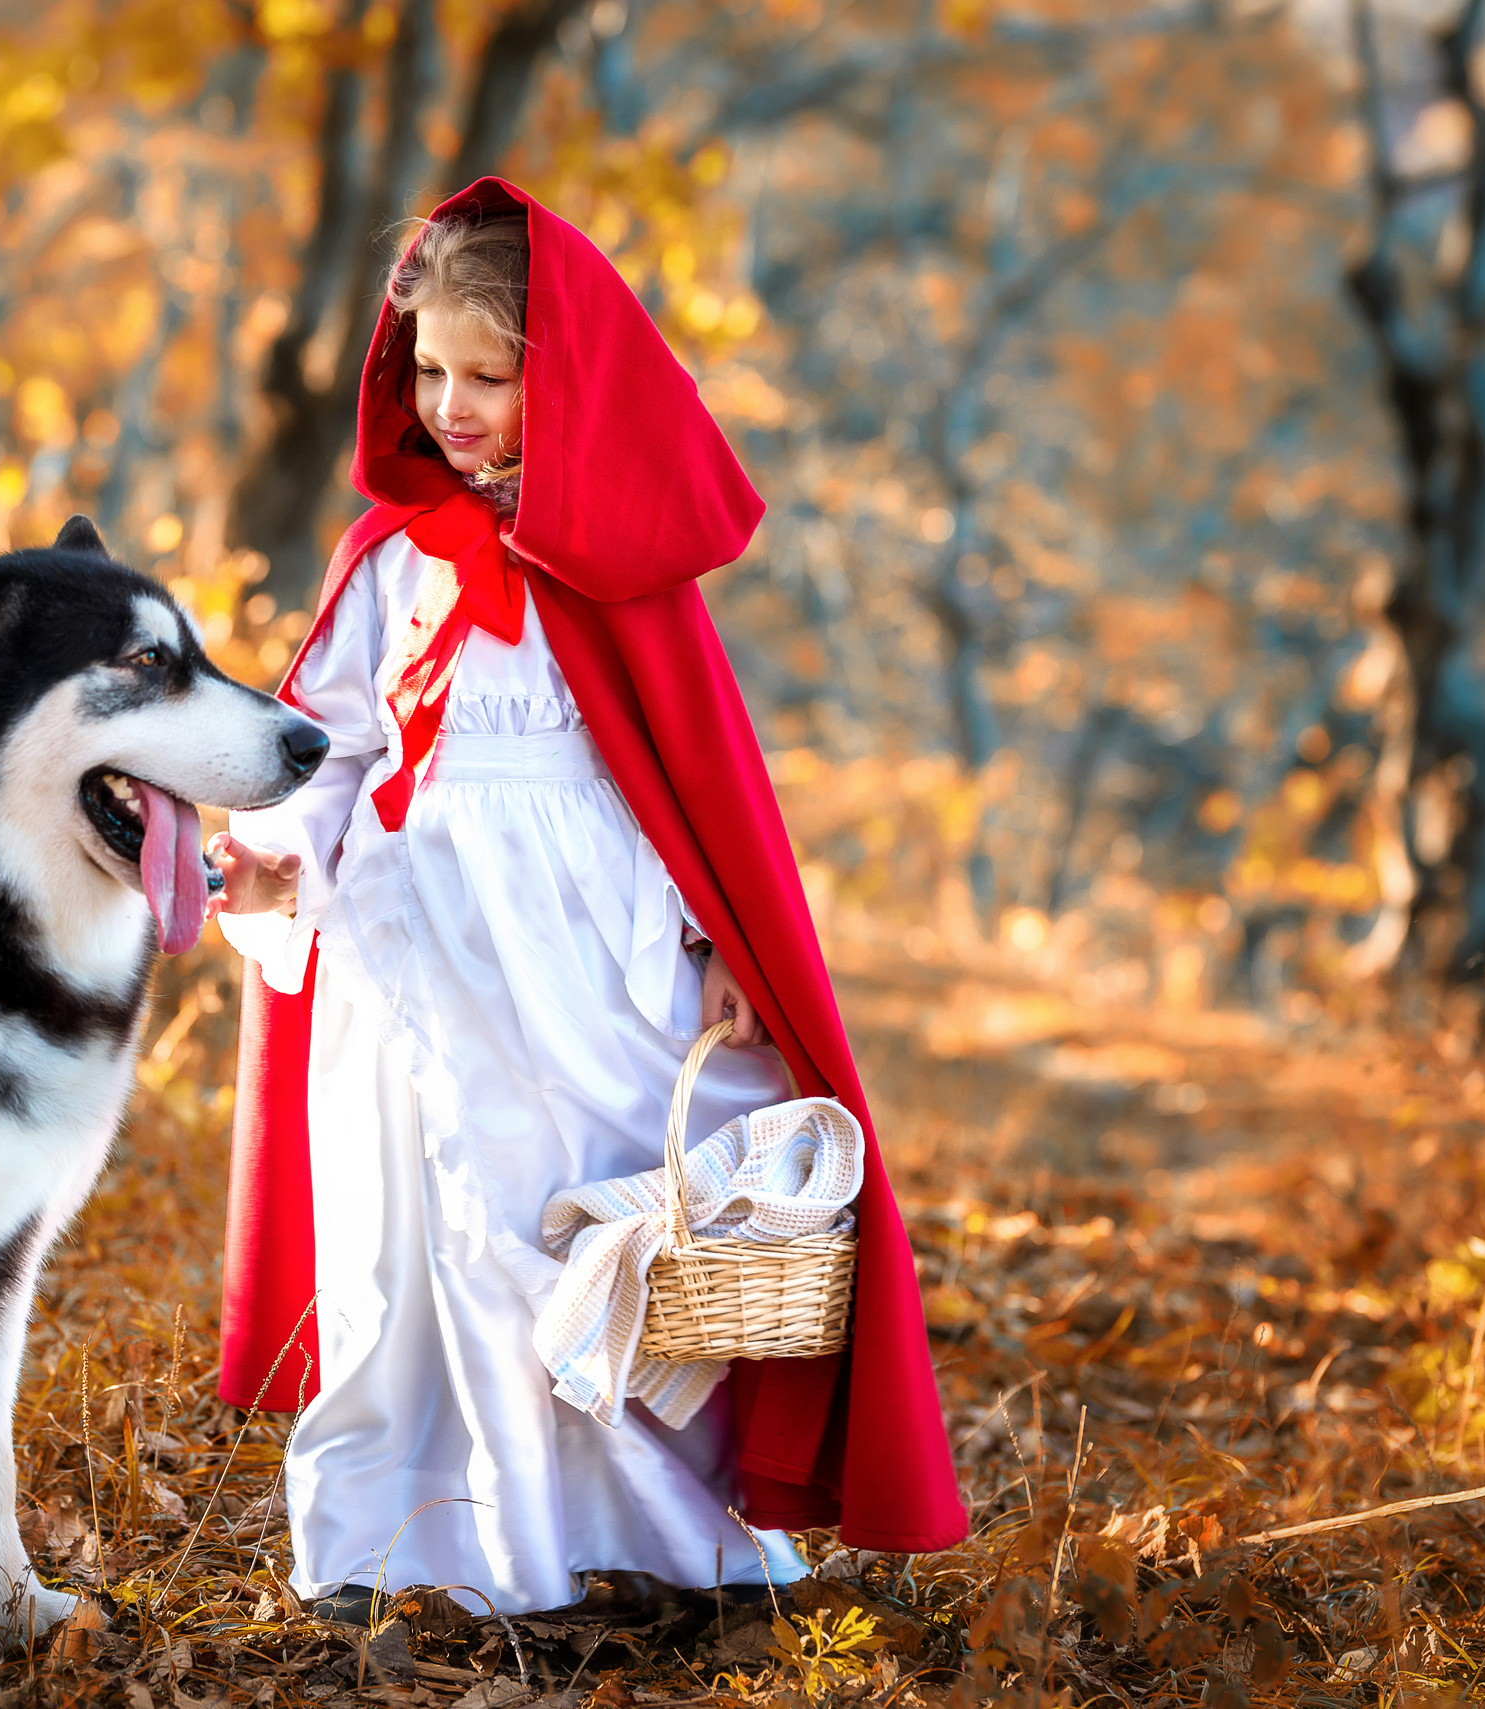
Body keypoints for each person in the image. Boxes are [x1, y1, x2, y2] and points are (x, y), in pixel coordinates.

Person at [209, 178, 966, 1620]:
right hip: (409, 941)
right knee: (414, 1229)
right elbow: (333, 744)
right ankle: (400, 1537)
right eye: (430, 371)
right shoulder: (386, 558)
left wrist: (714, 938)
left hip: (584, 958)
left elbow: (687, 788)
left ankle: (664, 1542)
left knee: (588, 1226)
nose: (456, 404)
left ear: (569, 381)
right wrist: (277, 853)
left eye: (491, 375)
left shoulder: (625, 570)